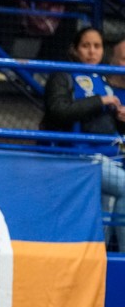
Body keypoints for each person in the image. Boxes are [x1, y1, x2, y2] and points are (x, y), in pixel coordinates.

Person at [40, 27, 125, 253]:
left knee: (106, 211)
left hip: (111, 156)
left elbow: (106, 124)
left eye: (97, 46)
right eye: (86, 46)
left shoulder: (103, 79)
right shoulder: (63, 75)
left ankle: (100, 257)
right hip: (82, 155)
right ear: (75, 49)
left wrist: (120, 118)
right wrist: (100, 101)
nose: (92, 51)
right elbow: (58, 110)